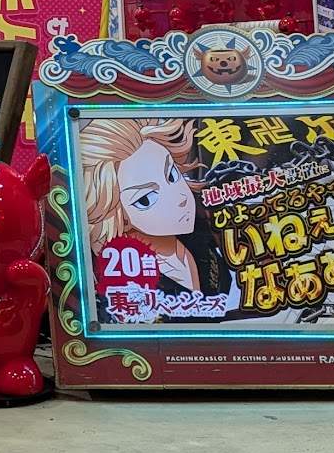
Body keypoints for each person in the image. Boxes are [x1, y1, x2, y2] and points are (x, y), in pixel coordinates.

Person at [76, 117, 235, 321]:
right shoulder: (124, 275)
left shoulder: (197, 232)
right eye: (145, 199)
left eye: (172, 175)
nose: (179, 198)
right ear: (119, 215)